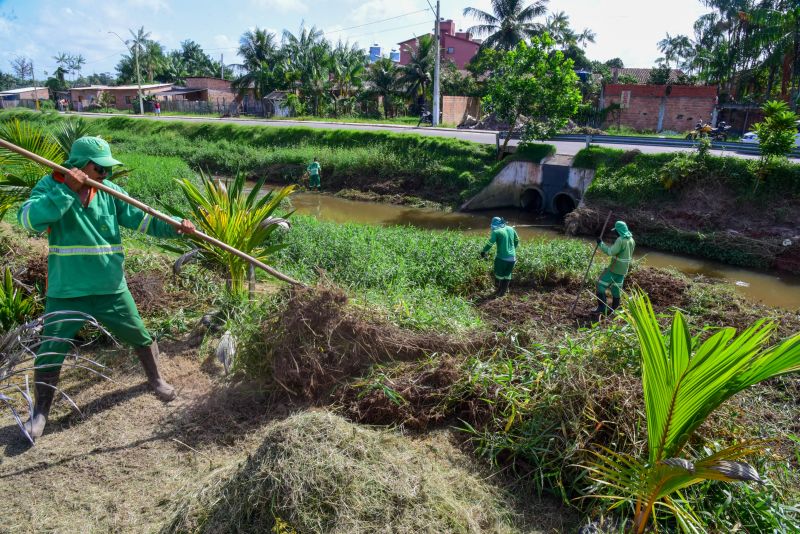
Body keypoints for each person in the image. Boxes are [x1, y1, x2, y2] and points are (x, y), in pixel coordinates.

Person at [17, 136, 196, 439]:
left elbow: (144, 220)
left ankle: (155, 380)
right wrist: (66, 192)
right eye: (100, 169)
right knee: (51, 349)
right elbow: (29, 220)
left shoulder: (109, 193)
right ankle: (40, 412)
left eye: (108, 170)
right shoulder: (51, 187)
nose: (105, 175)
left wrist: (176, 225)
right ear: (79, 165)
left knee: (138, 333)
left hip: (110, 287)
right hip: (68, 291)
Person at [594, 220, 635, 315]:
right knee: (616, 289)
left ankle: (602, 308)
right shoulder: (631, 240)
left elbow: (610, 252)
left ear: (619, 231)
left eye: (616, 231)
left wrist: (600, 244)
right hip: (623, 270)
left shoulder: (620, 240)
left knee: (600, 284)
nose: (615, 233)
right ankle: (615, 310)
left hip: (614, 269)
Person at [480, 217, 519, 297]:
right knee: (507, 274)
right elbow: (517, 240)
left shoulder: (496, 231)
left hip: (501, 258)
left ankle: (499, 291)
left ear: (494, 224)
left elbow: (490, 244)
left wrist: (484, 252)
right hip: (512, 258)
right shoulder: (511, 228)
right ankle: (503, 292)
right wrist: (512, 249)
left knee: (499, 274)